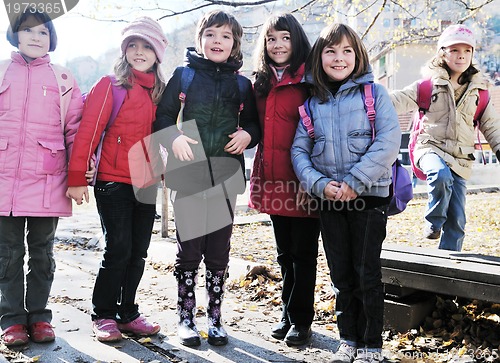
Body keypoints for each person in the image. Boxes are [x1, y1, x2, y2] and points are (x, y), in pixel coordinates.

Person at [291, 23, 400, 363]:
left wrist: (354, 181)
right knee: (340, 273)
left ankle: (371, 345)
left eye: (347, 51)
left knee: (366, 271)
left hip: (369, 197)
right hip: (329, 199)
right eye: (330, 51)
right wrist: (322, 185)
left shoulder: (374, 94)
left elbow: (388, 141)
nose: (339, 58)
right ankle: (348, 339)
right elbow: (299, 152)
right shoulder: (311, 105)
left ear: (358, 55)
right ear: (318, 57)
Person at [154, 10, 260, 347]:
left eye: (226, 36)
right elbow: (162, 119)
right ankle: (186, 318)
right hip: (188, 178)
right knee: (188, 253)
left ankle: (215, 319)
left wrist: (248, 136)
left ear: (235, 44)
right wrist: (174, 138)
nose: (218, 41)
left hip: (226, 180)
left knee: (218, 253)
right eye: (211, 34)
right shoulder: (183, 76)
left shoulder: (243, 84)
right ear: (200, 39)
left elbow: (255, 126)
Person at [66, 16, 168, 342]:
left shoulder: (163, 93)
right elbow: (88, 133)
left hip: (146, 182)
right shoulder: (110, 85)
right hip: (112, 180)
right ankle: (103, 314)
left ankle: (128, 313)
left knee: (139, 250)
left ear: (158, 53)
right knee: (118, 247)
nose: (139, 52)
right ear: (124, 51)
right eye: (132, 45)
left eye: (146, 46)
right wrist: (76, 177)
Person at [0, 10, 85, 346]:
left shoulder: (63, 79)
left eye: (43, 32)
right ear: (15, 35)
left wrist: (78, 177)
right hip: (4, 179)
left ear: (51, 39)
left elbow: (76, 131)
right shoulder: (2, 71)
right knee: (7, 253)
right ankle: (11, 319)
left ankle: (39, 316)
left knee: (42, 253)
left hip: (49, 180)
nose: (36, 37)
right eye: (28, 31)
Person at [391, 24, 500, 251]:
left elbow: (491, 126)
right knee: (440, 175)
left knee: (458, 220)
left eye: (466, 51)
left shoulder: (480, 91)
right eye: (454, 50)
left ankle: (449, 266)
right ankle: (433, 221)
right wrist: (370, 97)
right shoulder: (429, 85)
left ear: (472, 54)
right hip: (429, 147)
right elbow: (398, 99)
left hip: (460, 158)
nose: (461, 55)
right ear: (442, 52)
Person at [249, 13, 320, 346]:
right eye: (271, 39)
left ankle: (302, 320)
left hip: (304, 180)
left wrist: (313, 180)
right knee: (284, 254)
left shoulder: (311, 80)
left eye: (285, 38)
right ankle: (287, 314)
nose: (278, 45)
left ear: (297, 40)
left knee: (304, 254)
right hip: (273, 178)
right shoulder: (259, 83)